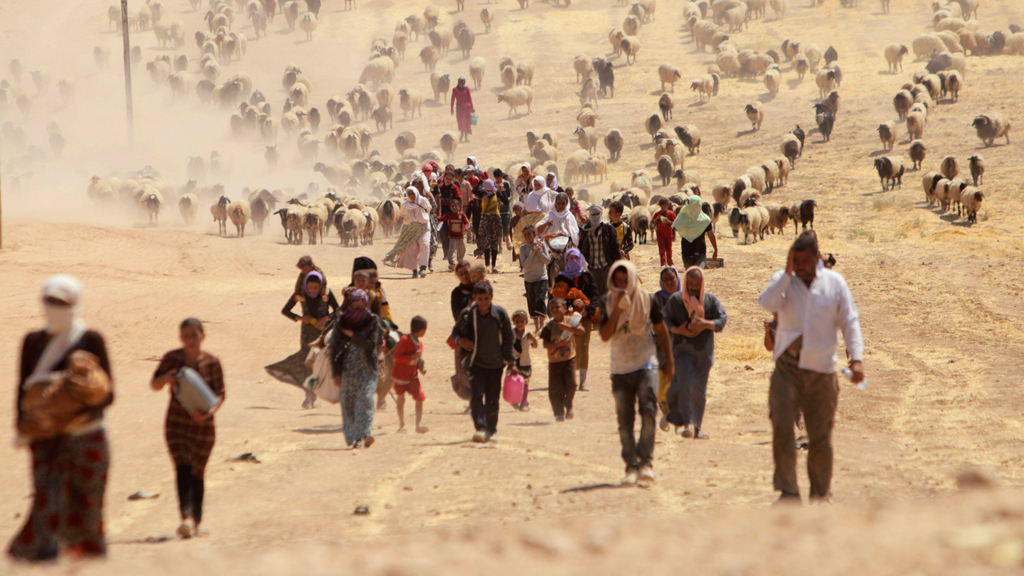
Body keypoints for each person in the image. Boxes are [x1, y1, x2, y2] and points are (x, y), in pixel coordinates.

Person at [10, 276, 113, 561]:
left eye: (62, 303)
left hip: (86, 435)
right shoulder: (33, 342)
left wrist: (70, 405)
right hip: (45, 438)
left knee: (88, 507)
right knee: (47, 502)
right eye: (50, 301)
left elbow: (108, 395)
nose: (55, 308)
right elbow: (22, 388)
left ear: (75, 304)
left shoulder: (91, 340)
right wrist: (23, 425)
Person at [758, 231, 864, 503]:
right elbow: (766, 302)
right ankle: (788, 491)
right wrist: (786, 272)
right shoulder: (784, 283)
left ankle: (820, 492)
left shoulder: (834, 283)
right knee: (781, 425)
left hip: (822, 370)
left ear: (817, 258)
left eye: (806, 260)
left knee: (820, 434)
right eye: (797, 260)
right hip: (787, 369)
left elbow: (849, 321)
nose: (802, 265)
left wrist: (856, 359)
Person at [598, 261, 674, 486]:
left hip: (646, 364)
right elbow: (604, 335)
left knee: (649, 412)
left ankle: (646, 463)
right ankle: (631, 465)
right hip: (620, 367)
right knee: (625, 420)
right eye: (617, 281)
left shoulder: (648, 300)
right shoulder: (607, 302)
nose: (622, 285)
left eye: (625, 280)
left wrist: (668, 362)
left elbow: (661, 330)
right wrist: (618, 310)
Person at [150, 318, 226, 539]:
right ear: (180, 337)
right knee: (182, 466)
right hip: (176, 423)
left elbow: (220, 395)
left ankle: (196, 520)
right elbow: (154, 384)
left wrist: (207, 415)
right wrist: (167, 378)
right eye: (186, 335)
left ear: (203, 335)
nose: (190, 339)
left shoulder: (212, 362)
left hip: (204, 427)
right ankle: (186, 518)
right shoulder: (172, 359)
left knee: (198, 472)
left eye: (194, 335)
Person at [663, 267, 727, 439]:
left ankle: (697, 427)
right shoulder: (676, 300)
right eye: (690, 284)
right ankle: (688, 424)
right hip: (682, 350)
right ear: (685, 283)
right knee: (684, 383)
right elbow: (665, 319)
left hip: (703, 352)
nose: (693, 287)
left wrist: (705, 324)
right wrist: (679, 330)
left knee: (699, 390)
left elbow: (722, 319)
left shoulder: (711, 301)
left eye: (697, 284)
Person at [451, 281, 515, 443]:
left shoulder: (499, 315)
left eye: (486, 298)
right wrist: (461, 341)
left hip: (496, 364)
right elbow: (455, 333)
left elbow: (508, 338)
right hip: (475, 363)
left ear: (491, 297)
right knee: (476, 396)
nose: (483, 302)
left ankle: (491, 429)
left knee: (493, 399)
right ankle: (480, 428)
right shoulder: (467, 315)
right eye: (480, 299)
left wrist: (511, 362)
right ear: (475, 298)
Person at [268, 271, 338, 408]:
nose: (312, 290)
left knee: (325, 363)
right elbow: (285, 310)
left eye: (315, 287)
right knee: (307, 363)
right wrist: (300, 318)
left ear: (320, 285)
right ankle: (309, 396)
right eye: (310, 287)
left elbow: (339, 310)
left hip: (324, 332)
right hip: (307, 333)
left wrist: (327, 318)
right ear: (305, 285)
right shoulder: (300, 295)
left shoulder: (327, 294)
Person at [332, 289, 384, 448]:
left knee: (365, 400)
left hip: (367, 368)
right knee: (348, 404)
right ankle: (353, 437)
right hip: (348, 369)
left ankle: (363, 435)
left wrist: (352, 336)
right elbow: (334, 348)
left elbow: (371, 345)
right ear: (351, 303)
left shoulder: (372, 321)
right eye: (356, 304)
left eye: (362, 304)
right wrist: (336, 373)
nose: (359, 307)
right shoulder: (342, 322)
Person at [553, 249, 599, 391]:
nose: (573, 260)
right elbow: (556, 299)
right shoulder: (561, 278)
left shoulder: (587, 276)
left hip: (583, 317)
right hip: (567, 317)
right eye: (570, 257)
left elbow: (595, 296)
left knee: (583, 346)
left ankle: (582, 381)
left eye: (575, 257)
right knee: (566, 347)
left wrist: (587, 309)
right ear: (566, 260)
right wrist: (571, 304)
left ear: (580, 259)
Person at [540, 298, 584, 421]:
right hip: (554, 361)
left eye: (557, 307)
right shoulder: (549, 326)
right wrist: (557, 345)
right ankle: (559, 412)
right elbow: (545, 344)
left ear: (565, 309)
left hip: (569, 358)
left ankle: (568, 404)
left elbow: (581, 331)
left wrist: (568, 328)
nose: (554, 310)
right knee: (555, 388)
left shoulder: (571, 321)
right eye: (552, 308)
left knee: (572, 384)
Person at [652, 266, 680, 431]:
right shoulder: (657, 298)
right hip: (662, 347)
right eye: (666, 279)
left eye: (672, 278)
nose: (670, 282)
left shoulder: (686, 297)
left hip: (682, 346)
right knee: (661, 388)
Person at [384, 187, 432, 278]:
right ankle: (414, 270)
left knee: (425, 244)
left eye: (413, 194)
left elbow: (429, 209)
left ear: (416, 193)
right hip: (410, 228)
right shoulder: (405, 204)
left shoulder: (423, 200)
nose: (411, 196)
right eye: (409, 194)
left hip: (424, 227)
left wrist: (421, 219)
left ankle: (423, 268)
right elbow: (402, 214)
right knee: (410, 249)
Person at [393, 316, 429, 434]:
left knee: (420, 398)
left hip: (413, 376)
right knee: (401, 399)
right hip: (400, 376)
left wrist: (421, 368)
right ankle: (401, 424)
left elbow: (418, 360)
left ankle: (418, 425)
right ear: (420, 330)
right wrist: (412, 356)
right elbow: (397, 357)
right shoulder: (404, 340)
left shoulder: (420, 343)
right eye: (424, 329)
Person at [577, 204, 621, 298]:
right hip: (591, 267)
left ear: (601, 214)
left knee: (607, 292)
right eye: (593, 214)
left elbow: (615, 245)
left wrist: (618, 263)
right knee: (594, 292)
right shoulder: (585, 230)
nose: (595, 216)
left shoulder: (608, 228)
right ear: (589, 215)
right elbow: (581, 247)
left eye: (597, 214)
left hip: (606, 265)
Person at [520, 225, 551, 332]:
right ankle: (537, 327)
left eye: (529, 234)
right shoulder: (523, 249)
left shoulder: (542, 245)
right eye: (525, 234)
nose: (527, 236)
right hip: (529, 279)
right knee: (532, 302)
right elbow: (525, 265)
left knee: (540, 299)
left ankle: (542, 327)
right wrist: (533, 252)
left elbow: (547, 260)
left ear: (534, 234)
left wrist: (539, 251)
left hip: (541, 277)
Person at [673, 195, 718, 269]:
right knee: (690, 275)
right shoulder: (683, 218)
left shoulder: (705, 220)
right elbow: (676, 228)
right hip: (686, 253)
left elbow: (711, 234)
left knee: (698, 272)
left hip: (700, 253)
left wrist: (715, 250)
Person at [510, 310, 536, 412]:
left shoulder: (528, 333)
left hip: (525, 362)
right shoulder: (511, 334)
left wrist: (533, 339)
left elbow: (535, 346)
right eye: (517, 321)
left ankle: (523, 401)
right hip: (514, 362)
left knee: (525, 383)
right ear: (514, 322)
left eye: (522, 321)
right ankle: (516, 400)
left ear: (526, 321)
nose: (520, 324)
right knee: (514, 382)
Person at [477, 179, 505, 272]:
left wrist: (503, 190)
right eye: (487, 190)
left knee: (494, 243)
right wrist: (480, 181)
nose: (488, 192)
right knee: (486, 243)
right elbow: (474, 190)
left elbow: (506, 201)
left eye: (490, 190)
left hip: (495, 219)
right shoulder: (482, 193)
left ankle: (493, 266)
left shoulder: (497, 192)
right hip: (486, 220)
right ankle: (487, 265)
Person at [438, 199, 470, 270]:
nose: (454, 208)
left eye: (456, 206)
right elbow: (441, 219)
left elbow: (466, 223)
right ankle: (452, 264)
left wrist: (467, 227)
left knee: (461, 250)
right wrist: (434, 217)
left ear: (459, 206)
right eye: (452, 206)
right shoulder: (449, 215)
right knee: (451, 250)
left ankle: (460, 263)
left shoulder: (462, 215)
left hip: (461, 237)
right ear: (450, 208)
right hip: (452, 236)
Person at [652, 198, 677, 267]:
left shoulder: (670, 213)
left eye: (665, 206)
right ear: (660, 206)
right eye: (662, 206)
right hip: (660, 235)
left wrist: (669, 221)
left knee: (669, 250)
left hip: (669, 235)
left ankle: (670, 262)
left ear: (667, 206)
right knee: (662, 249)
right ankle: (663, 263)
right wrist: (657, 218)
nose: (663, 208)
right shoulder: (657, 213)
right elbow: (652, 222)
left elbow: (674, 223)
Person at [494, 170, 514, 251]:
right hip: (497, 209)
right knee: (498, 228)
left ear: (502, 177)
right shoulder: (493, 185)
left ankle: (507, 240)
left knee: (506, 227)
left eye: (499, 178)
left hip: (506, 209)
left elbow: (510, 195)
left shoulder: (506, 183)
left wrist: (506, 201)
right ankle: (500, 247)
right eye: (496, 178)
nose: (498, 180)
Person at [451, 77, 475, 142]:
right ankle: (461, 136)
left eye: (463, 82)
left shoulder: (467, 89)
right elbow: (452, 99)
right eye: (460, 82)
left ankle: (466, 137)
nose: (462, 84)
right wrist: (451, 109)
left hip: (467, 108)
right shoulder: (455, 89)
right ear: (458, 82)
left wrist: (472, 107)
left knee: (467, 123)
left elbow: (470, 98)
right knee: (461, 123)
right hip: (459, 109)